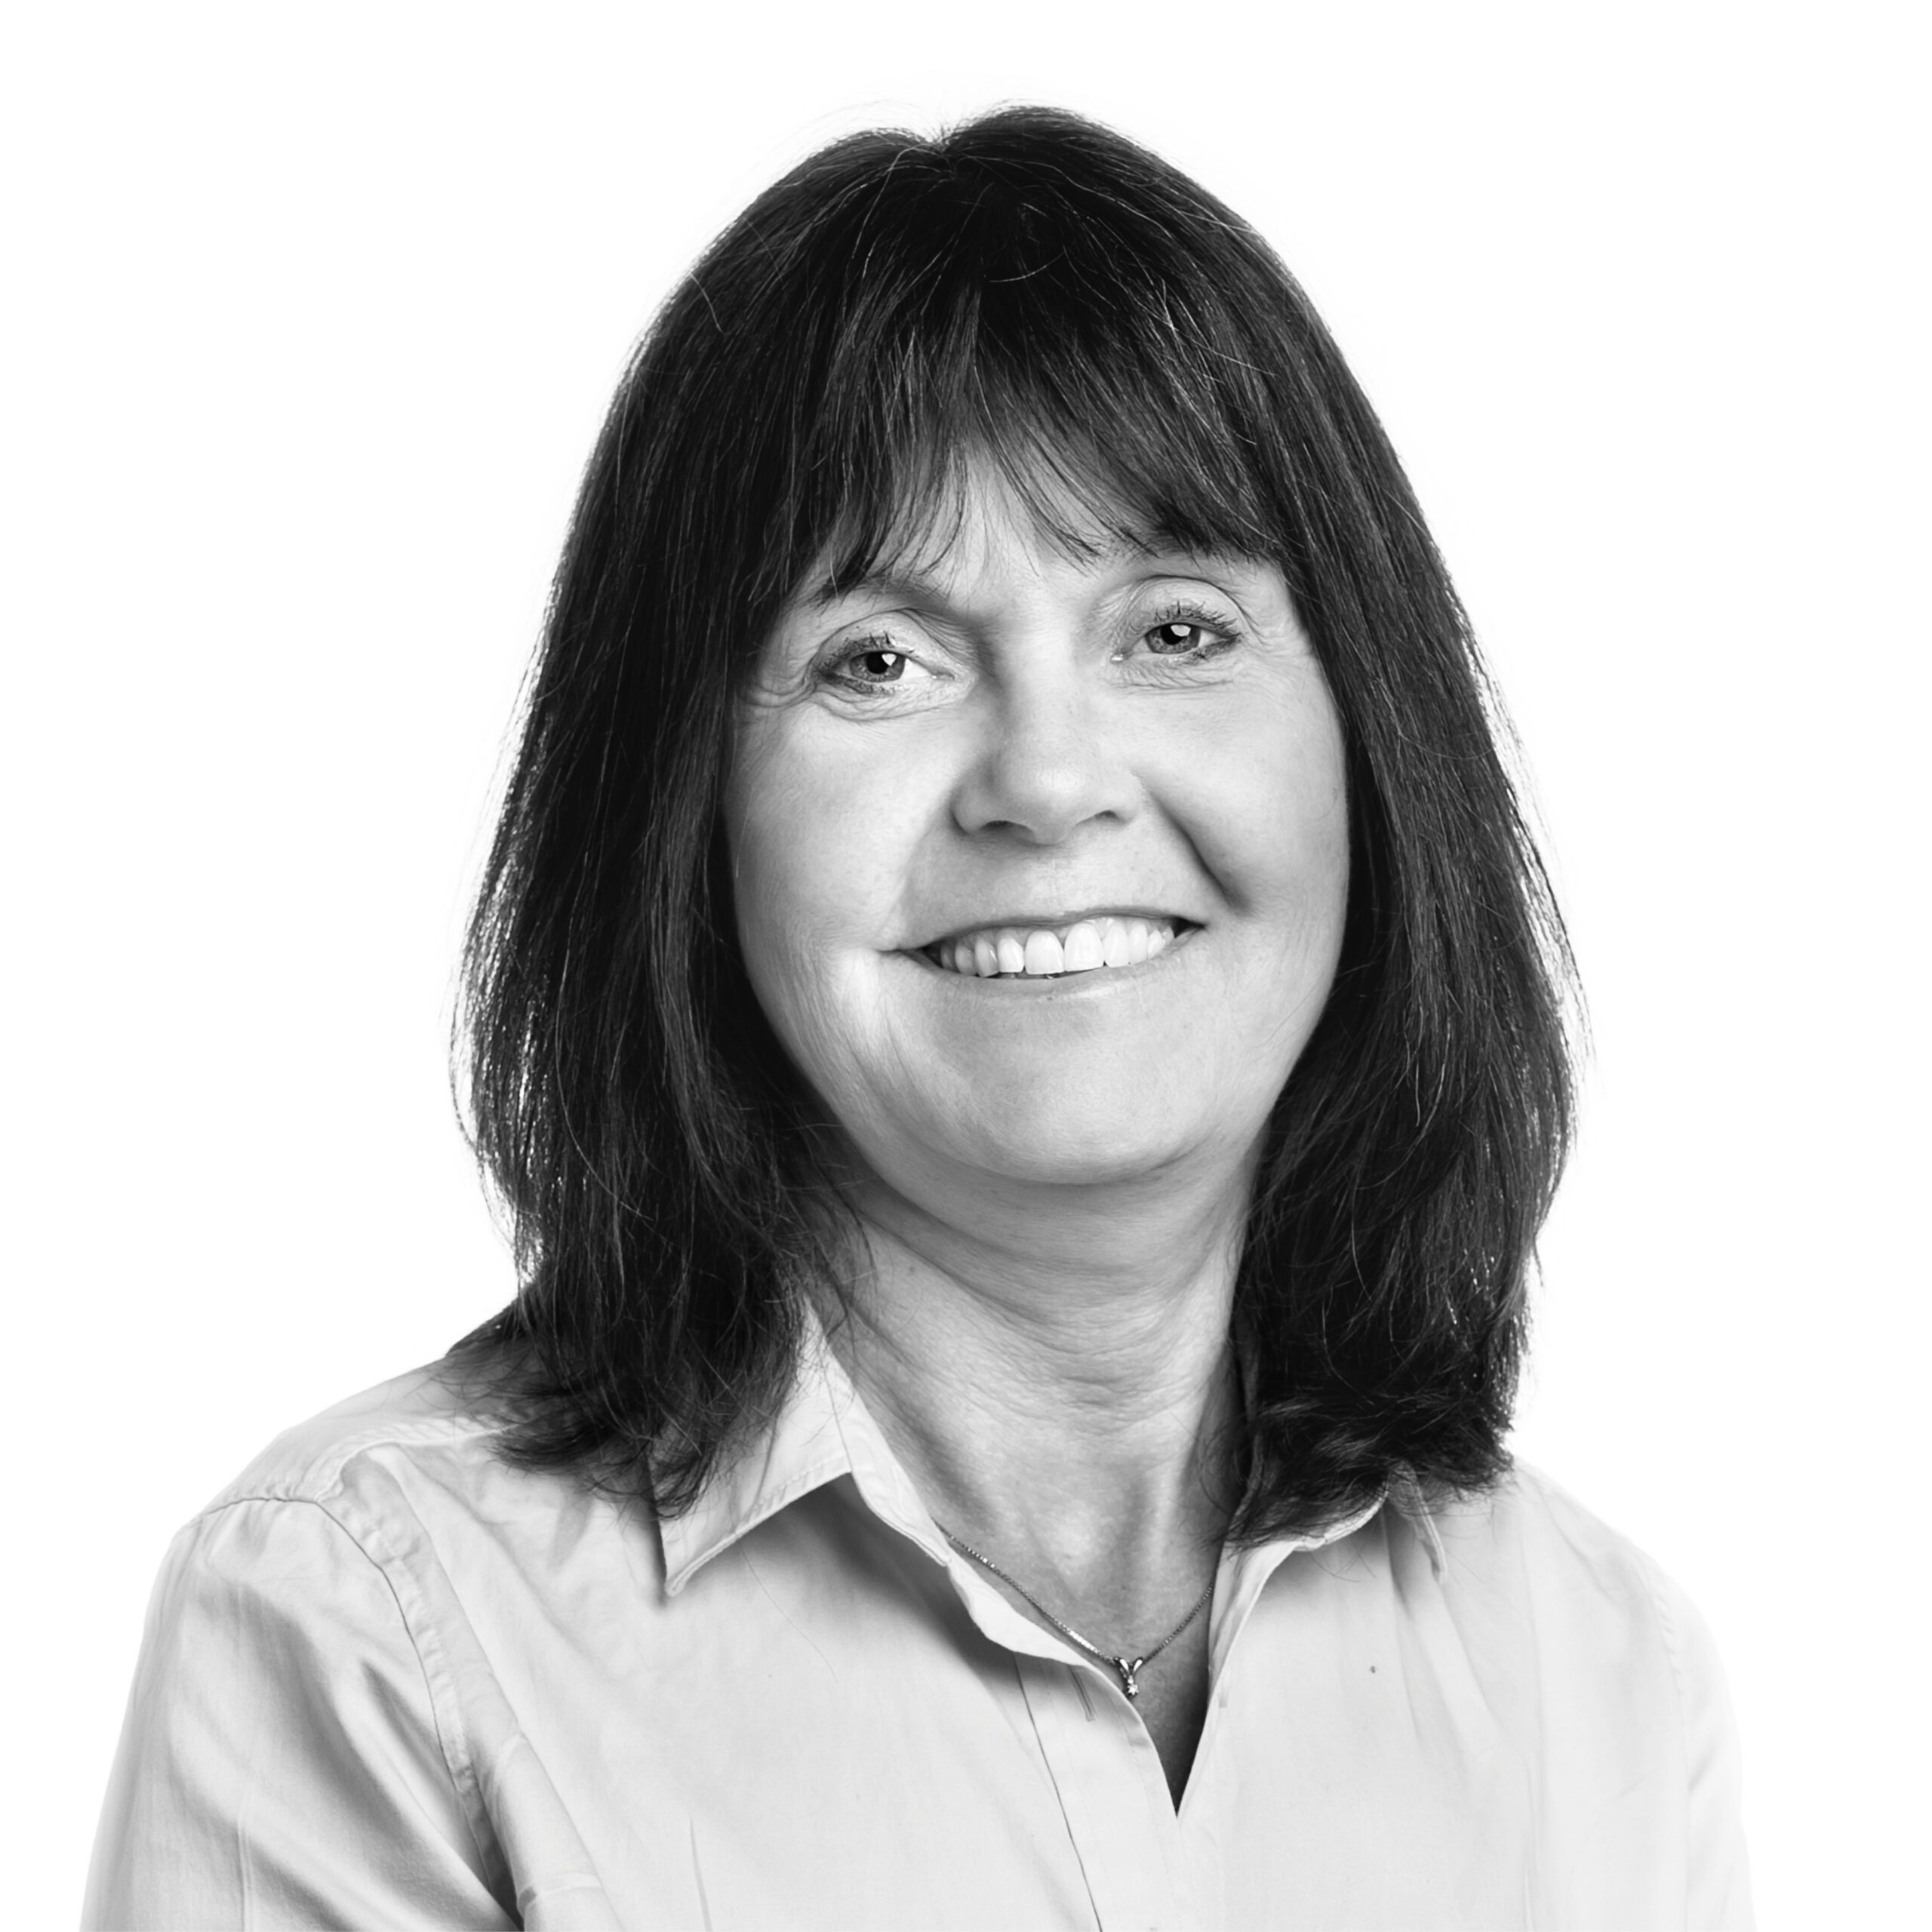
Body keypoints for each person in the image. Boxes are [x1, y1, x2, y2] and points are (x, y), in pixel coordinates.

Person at [85, 106, 1752, 1930]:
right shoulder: (370, 1628)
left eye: (1173, 629)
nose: (1045, 780)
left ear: (1371, 731)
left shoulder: (1597, 1672)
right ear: (682, 809)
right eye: (876, 658)